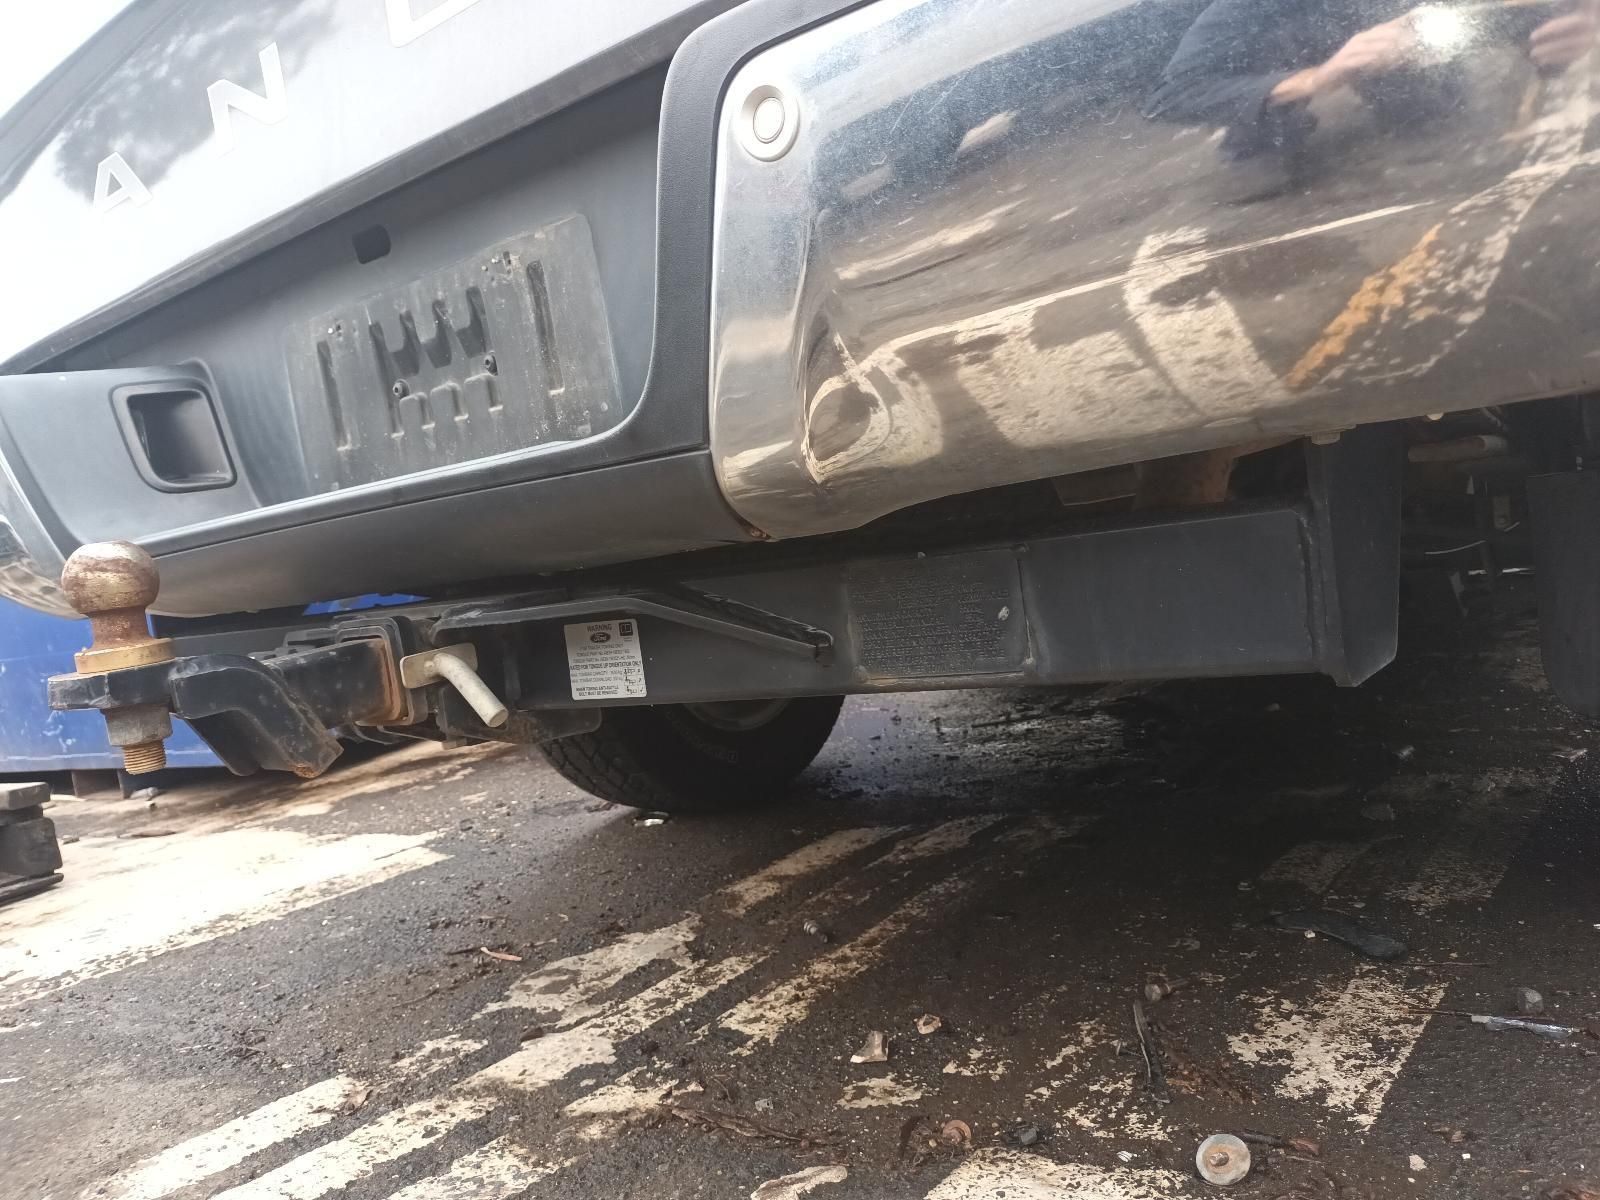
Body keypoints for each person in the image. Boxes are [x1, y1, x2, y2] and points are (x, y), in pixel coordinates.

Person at [1146, 0, 1596, 161]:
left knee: (1427, 114)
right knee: (1262, 154)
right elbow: (1170, 95)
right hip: (1289, 132)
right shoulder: (1243, 7)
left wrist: (1584, 20)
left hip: (1419, 93)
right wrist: (1317, 78)